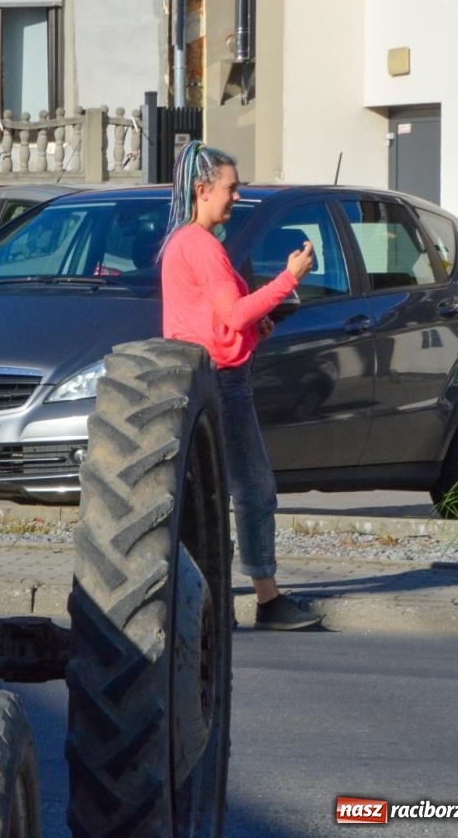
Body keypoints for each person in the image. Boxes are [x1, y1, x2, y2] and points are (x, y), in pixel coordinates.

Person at [158, 141, 321, 630]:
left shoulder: (184, 243)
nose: (236, 197)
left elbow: (214, 320)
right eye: (231, 189)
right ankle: (267, 599)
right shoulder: (202, 246)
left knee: (208, 491)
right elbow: (231, 313)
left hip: (203, 375)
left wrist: (254, 326)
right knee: (253, 488)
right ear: (202, 190)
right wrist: (288, 279)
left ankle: (207, 599)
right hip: (223, 381)